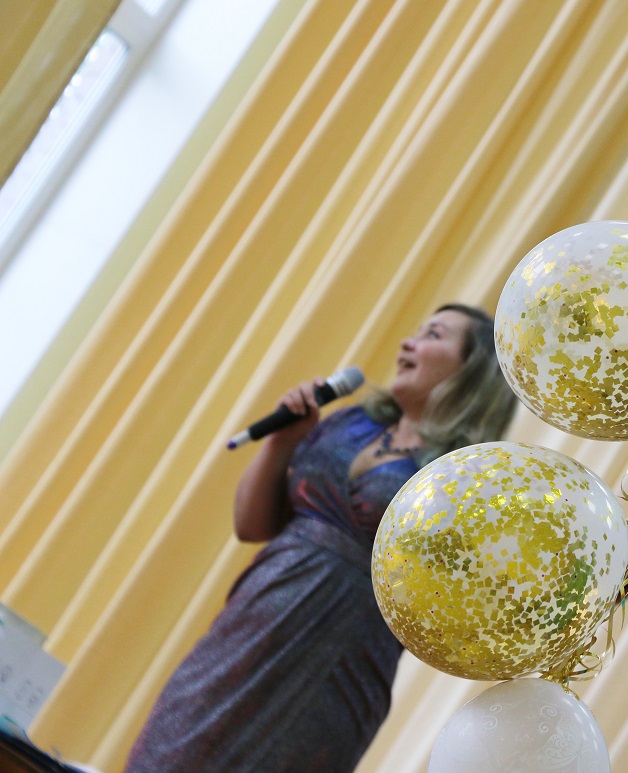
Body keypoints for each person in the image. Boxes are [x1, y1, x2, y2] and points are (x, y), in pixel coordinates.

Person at [126, 304, 519, 773]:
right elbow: (252, 526)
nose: (407, 342)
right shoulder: (352, 422)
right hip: (249, 628)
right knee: (171, 750)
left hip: (342, 660)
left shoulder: (464, 479)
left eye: (432, 335)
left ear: (471, 372)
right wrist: (284, 440)